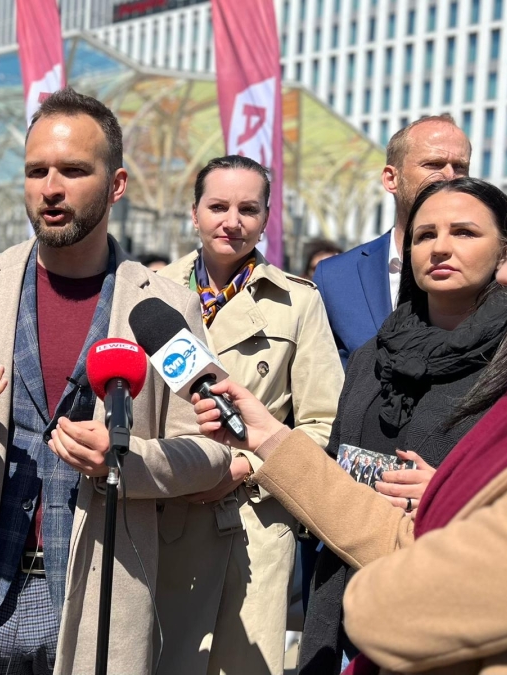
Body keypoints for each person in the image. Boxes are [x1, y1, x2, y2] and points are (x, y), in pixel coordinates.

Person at [0, 88, 232, 675]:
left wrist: (127, 458)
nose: (50, 188)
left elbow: (211, 450)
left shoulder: (164, 307)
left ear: (116, 184)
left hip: (99, 600)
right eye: (36, 170)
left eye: (73, 170)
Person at [191, 226, 507, 673]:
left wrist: (450, 502)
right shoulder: (373, 354)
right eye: (424, 234)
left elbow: (392, 605)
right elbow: (394, 537)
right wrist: (267, 436)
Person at [301, 178, 507, 672]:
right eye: (425, 235)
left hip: (440, 611)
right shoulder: (372, 353)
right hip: (341, 591)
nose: (440, 247)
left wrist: (451, 492)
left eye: (464, 232)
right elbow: (337, 453)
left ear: (505, 250)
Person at [155, 154, 342, 675]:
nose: (231, 221)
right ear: (194, 213)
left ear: (265, 219)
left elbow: (324, 422)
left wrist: (246, 467)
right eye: (217, 206)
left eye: (248, 209)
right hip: (166, 518)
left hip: (254, 522)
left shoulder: (298, 302)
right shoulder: (151, 292)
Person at [314, 115, 471, 367]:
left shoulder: (489, 274)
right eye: (434, 164)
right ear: (391, 179)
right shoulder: (335, 277)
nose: (450, 176)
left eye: (460, 167)